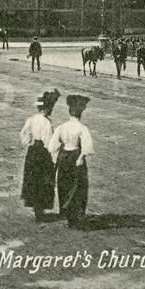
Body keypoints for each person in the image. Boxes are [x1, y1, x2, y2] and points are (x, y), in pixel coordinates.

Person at [48, 94, 95, 228]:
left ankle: (68, 215)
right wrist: (81, 158)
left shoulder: (62, 127)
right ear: (80, 112)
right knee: (78, 187)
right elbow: (86, 147)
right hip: (76, 157)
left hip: (63, 157)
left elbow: (52, 146)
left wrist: (58, 155)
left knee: (64, 185)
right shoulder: (82, 128)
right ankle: (76, 216)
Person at [20, 89, 60, 220]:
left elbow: (24, 134)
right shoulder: (47, 123)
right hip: (43, 153)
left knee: (33, 179)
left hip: (33, 152)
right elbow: (49, 141)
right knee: (43, 180)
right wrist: (54, 157)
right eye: (51, 107)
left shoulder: (32, 119)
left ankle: (36, 207)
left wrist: (29, 143)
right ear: (47, 108)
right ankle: (40, 208)